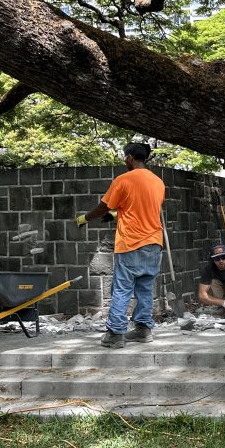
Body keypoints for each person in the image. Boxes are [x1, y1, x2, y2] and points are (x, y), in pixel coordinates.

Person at [76, 142, 165, 348]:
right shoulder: (158, 182)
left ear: (130, 157)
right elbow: (141, 207)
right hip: (154, 243)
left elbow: (103, 207)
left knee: (122, 289)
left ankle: (115, 334)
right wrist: (117, 215)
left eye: (125, 157)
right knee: (144, 288)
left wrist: (85, 218)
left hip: (131, 242)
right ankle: (143, 330)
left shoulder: (123, 179)